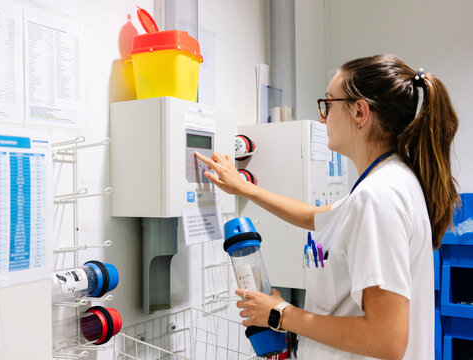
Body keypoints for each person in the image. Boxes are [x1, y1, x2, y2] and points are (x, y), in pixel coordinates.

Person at [195, 54, 459, 360]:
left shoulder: (378, 196)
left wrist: (281, 314)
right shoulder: (385, 182)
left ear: (360, 112)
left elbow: (386, 340)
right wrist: (243, 187)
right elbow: (312, 216)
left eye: (328, 104)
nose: (322, 118)